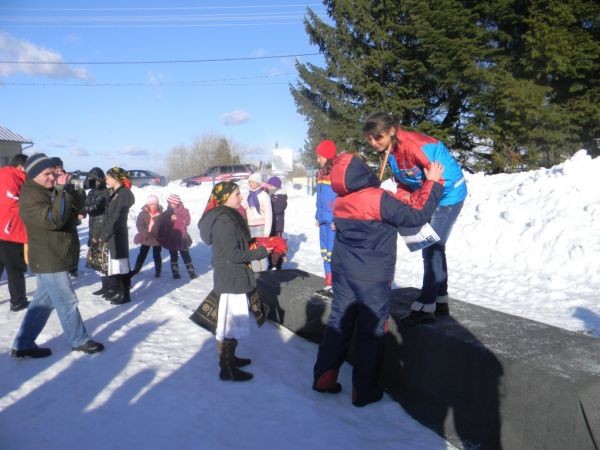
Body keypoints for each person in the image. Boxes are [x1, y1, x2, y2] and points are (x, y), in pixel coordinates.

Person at [312, 152, 443, 406]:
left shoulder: (340, 201)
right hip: (372, 277)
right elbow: (415, 216)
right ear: (361, 172)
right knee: (371, 331)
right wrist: (433, 183)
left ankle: (324, 378)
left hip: (343, 272)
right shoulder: (378, 198)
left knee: (338, 323)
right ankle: (364, 391)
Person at [363, 112, 468, 325]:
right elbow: (404, 181)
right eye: (370, 139)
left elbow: (439, 179)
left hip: (448, 196)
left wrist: (418, 200)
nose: (373, 143)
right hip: (429, 195)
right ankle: (440, 299)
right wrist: (406, 198)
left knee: (432, 247)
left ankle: (426, 306)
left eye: (377, 137)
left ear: (392, 131)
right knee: (434, 247)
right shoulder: (390, 151)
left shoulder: (413, 146)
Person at [11, 153, 104, 358]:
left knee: (42, 304)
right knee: (67, 301)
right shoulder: (30, 197)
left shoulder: (48, 189)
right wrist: (62, 190)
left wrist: (74, 189)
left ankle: (23, 344)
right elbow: (53, 220)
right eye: (47, 174)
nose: (52, 177)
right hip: (48, 257)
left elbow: (76, 209)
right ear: (33, 174)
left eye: (53, 173)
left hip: (55, 253)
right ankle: (79, 340)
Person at [199, 181, 271, 382]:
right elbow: (234, 254)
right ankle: (227, 368)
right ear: (225, 197)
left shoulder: (227, 215)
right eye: (237, 194)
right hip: (231, 277)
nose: (241, 197)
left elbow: (236, 246)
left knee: (232, 321)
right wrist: (261, 252)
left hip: (232, 275)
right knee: (230, 322)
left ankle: (230, 359)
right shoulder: (224, 220)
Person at [98, 167, 135, 305]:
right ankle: (120, 292)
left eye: (108, 177)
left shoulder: (123, 194)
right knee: (116, 265)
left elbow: (116, 217)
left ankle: (125, 294)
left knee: (121, 265)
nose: (106, 180)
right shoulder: (116, 193)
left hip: (117, 234)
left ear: (116, 178)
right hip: (113, 233)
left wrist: (106, 233)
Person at [0, 154, 29, 312]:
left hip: (3, 227)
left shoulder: (3, 174)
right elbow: (18, 202)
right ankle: (18, 301)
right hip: (11, 230)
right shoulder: (16, 178)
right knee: (15, 268)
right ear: (21, 167)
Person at [80, 167, 114, 297]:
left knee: (104, 259)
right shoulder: (91, 192)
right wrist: (82, 211)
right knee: (97, 259)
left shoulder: (105, 191)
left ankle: (111, 286)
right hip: (93, 225)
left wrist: (79, 208)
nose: (93, 182)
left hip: (101, 226)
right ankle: (105, 286)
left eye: (95, 180)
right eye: (90, 180)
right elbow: (86, 203)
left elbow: (95, 207)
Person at [157, 193, 197, 280]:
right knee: (173, 255)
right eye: (171, 203)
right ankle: (175, 272)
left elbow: (187, 221)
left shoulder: (184, 211)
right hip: (171, 239)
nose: (173, 205)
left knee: (185, 255)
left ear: (178, 203)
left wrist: (178, 218)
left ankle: (192, 272)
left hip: (182, 238)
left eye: (174, 203)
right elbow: (162, 223)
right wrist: (169, 219)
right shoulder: (166, 213)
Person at [314, 140, 337, 288]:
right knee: (325, 252)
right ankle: (328, 278)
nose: (317, 160)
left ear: (327, 157)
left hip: (333, 222)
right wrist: (317, 215)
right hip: (323, 220)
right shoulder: (320, 174)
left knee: (333, 252)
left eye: (319, 157)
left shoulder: (336, 174)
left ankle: (336, 280)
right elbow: (319, 198)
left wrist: (337, 219)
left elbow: (340, 199)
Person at [243, 172, 272, 272]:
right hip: (250, 226)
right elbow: (242, 207)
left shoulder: (264, 195)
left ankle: (264, 271)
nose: (250, 184)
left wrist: (267, 232)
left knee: (262, 249)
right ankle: (255, 272)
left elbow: (269, 214)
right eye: (249, 182)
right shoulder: (247, 195)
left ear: (258, 183)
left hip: (261, 227)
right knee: (252, 250)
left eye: (253, 182)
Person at [131, 194, 163, 277]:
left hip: (156, 238)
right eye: (151, 204)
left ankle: (158, 271)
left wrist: (158, 233)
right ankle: (137, 269)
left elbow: (163, 226)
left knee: (157, 255)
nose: (153, 206)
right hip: (146, 237)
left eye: (155, 204)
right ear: (148, 205)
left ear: (157, 204)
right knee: (142, 253)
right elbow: (139, 225)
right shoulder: (143, 214)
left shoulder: (161, 214)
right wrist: (145, 233)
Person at [265, 176, 288, 270]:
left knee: (277, 245)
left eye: (270, 185)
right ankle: (271, 263)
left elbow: (278, 209)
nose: (268, 186)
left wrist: (268, 208)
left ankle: (277, 264)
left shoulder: (281, 196)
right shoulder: (270, 194)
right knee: (270, 244)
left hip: (277, 225)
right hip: (270, 225)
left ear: (276, 186)